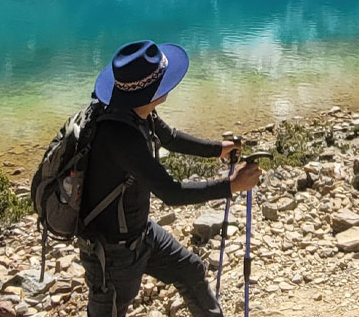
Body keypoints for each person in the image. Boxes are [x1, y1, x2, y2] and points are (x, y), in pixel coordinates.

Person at [78, 40, 261, 317]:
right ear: (149, 92)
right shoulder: (120, 136)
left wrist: (217, 150)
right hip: (112, 254)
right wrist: (231, 186)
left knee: (190, 270)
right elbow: (171, 193)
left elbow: (170, 138)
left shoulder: (135, 111)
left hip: (140, 234)